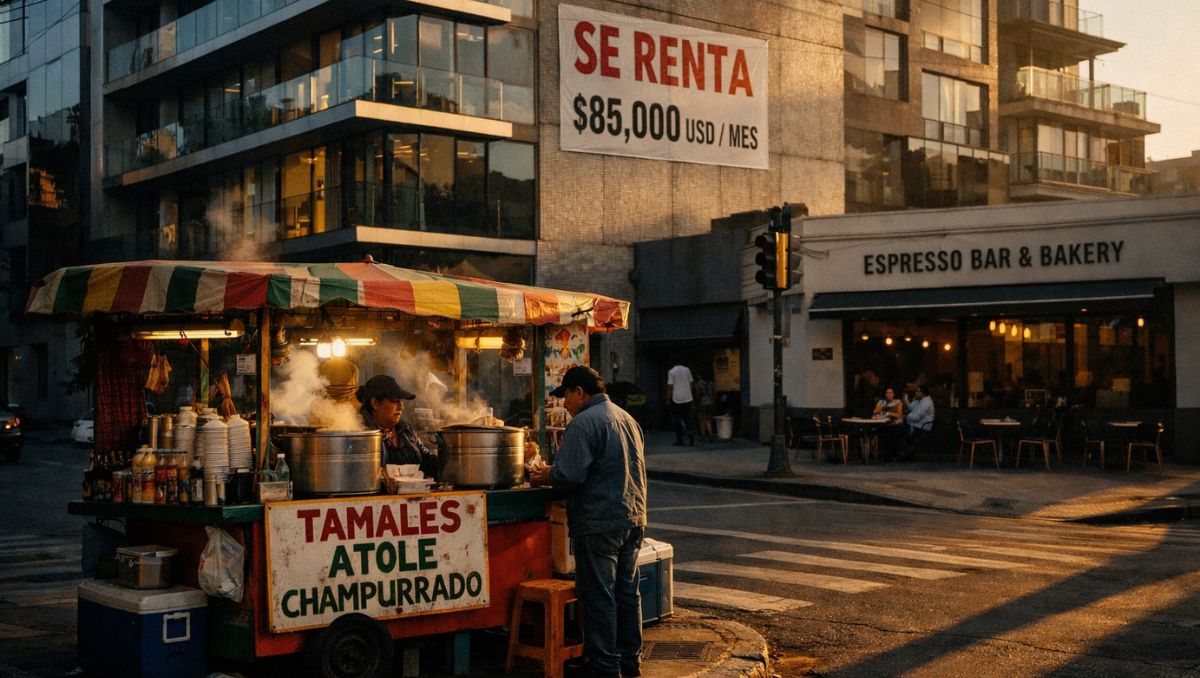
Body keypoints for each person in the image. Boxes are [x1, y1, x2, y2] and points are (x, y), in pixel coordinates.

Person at [529, 366, 647, 678]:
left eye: (565, 396)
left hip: (599, 521)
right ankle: (630, 663)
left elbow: (569, 475)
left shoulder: (584, 423)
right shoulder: (626, 418)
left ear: (579, 392)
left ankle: (605, 667)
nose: (564, 404)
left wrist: (546, 475)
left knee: (600, 597)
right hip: (632, 518)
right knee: (626, 594)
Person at [357, 374, 438, 478]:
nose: (401, 407)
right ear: (375, 403)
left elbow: (426, 460)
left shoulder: (404, 428)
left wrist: (451, 461)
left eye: (402, 401)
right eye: (395, 401)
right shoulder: (360, 433)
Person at [666, 363, 695, 446]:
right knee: (687, 418)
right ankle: (691, 437)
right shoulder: (687, 370)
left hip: (676, 398)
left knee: (677, 419)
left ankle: (680, 439)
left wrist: (668, 397)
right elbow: (691, 382)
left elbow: (670, 386)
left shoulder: (671, 372)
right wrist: (690, 392)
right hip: (688, 397)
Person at [873, 387, 904, 461]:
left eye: (890, 393)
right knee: (879, 433)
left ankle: (895, 455)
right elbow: (875, 412)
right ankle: (882, 455)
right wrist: (880, 407)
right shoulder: (882, 402)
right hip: (884, 425)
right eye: (887, 393)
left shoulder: (898, 402)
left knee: (894, 433)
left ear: (894, 394)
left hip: (895, 424)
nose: (889, 395)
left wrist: (888, 413)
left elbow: (899, 415)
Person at [903, 384, 935, 452]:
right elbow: (911, 407)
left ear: (923, 393)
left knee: (899, 431)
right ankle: (907, 452)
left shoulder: (926, 403)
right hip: (916, 424)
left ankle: (907, 452)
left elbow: (916, 417)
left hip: (922, 426)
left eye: (918, 392)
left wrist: (906, 416)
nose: (916, 393)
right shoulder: (919, 400)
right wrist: (906, 400)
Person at [694, 375, 716, 442]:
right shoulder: (711, 383)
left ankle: (703, 435)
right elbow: (714, 394)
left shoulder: (699, 383)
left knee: (701, 420)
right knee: (708, 420)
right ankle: (710, 435)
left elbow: (698, 394)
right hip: (711, 402)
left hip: (702, 403)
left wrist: (695, 403)